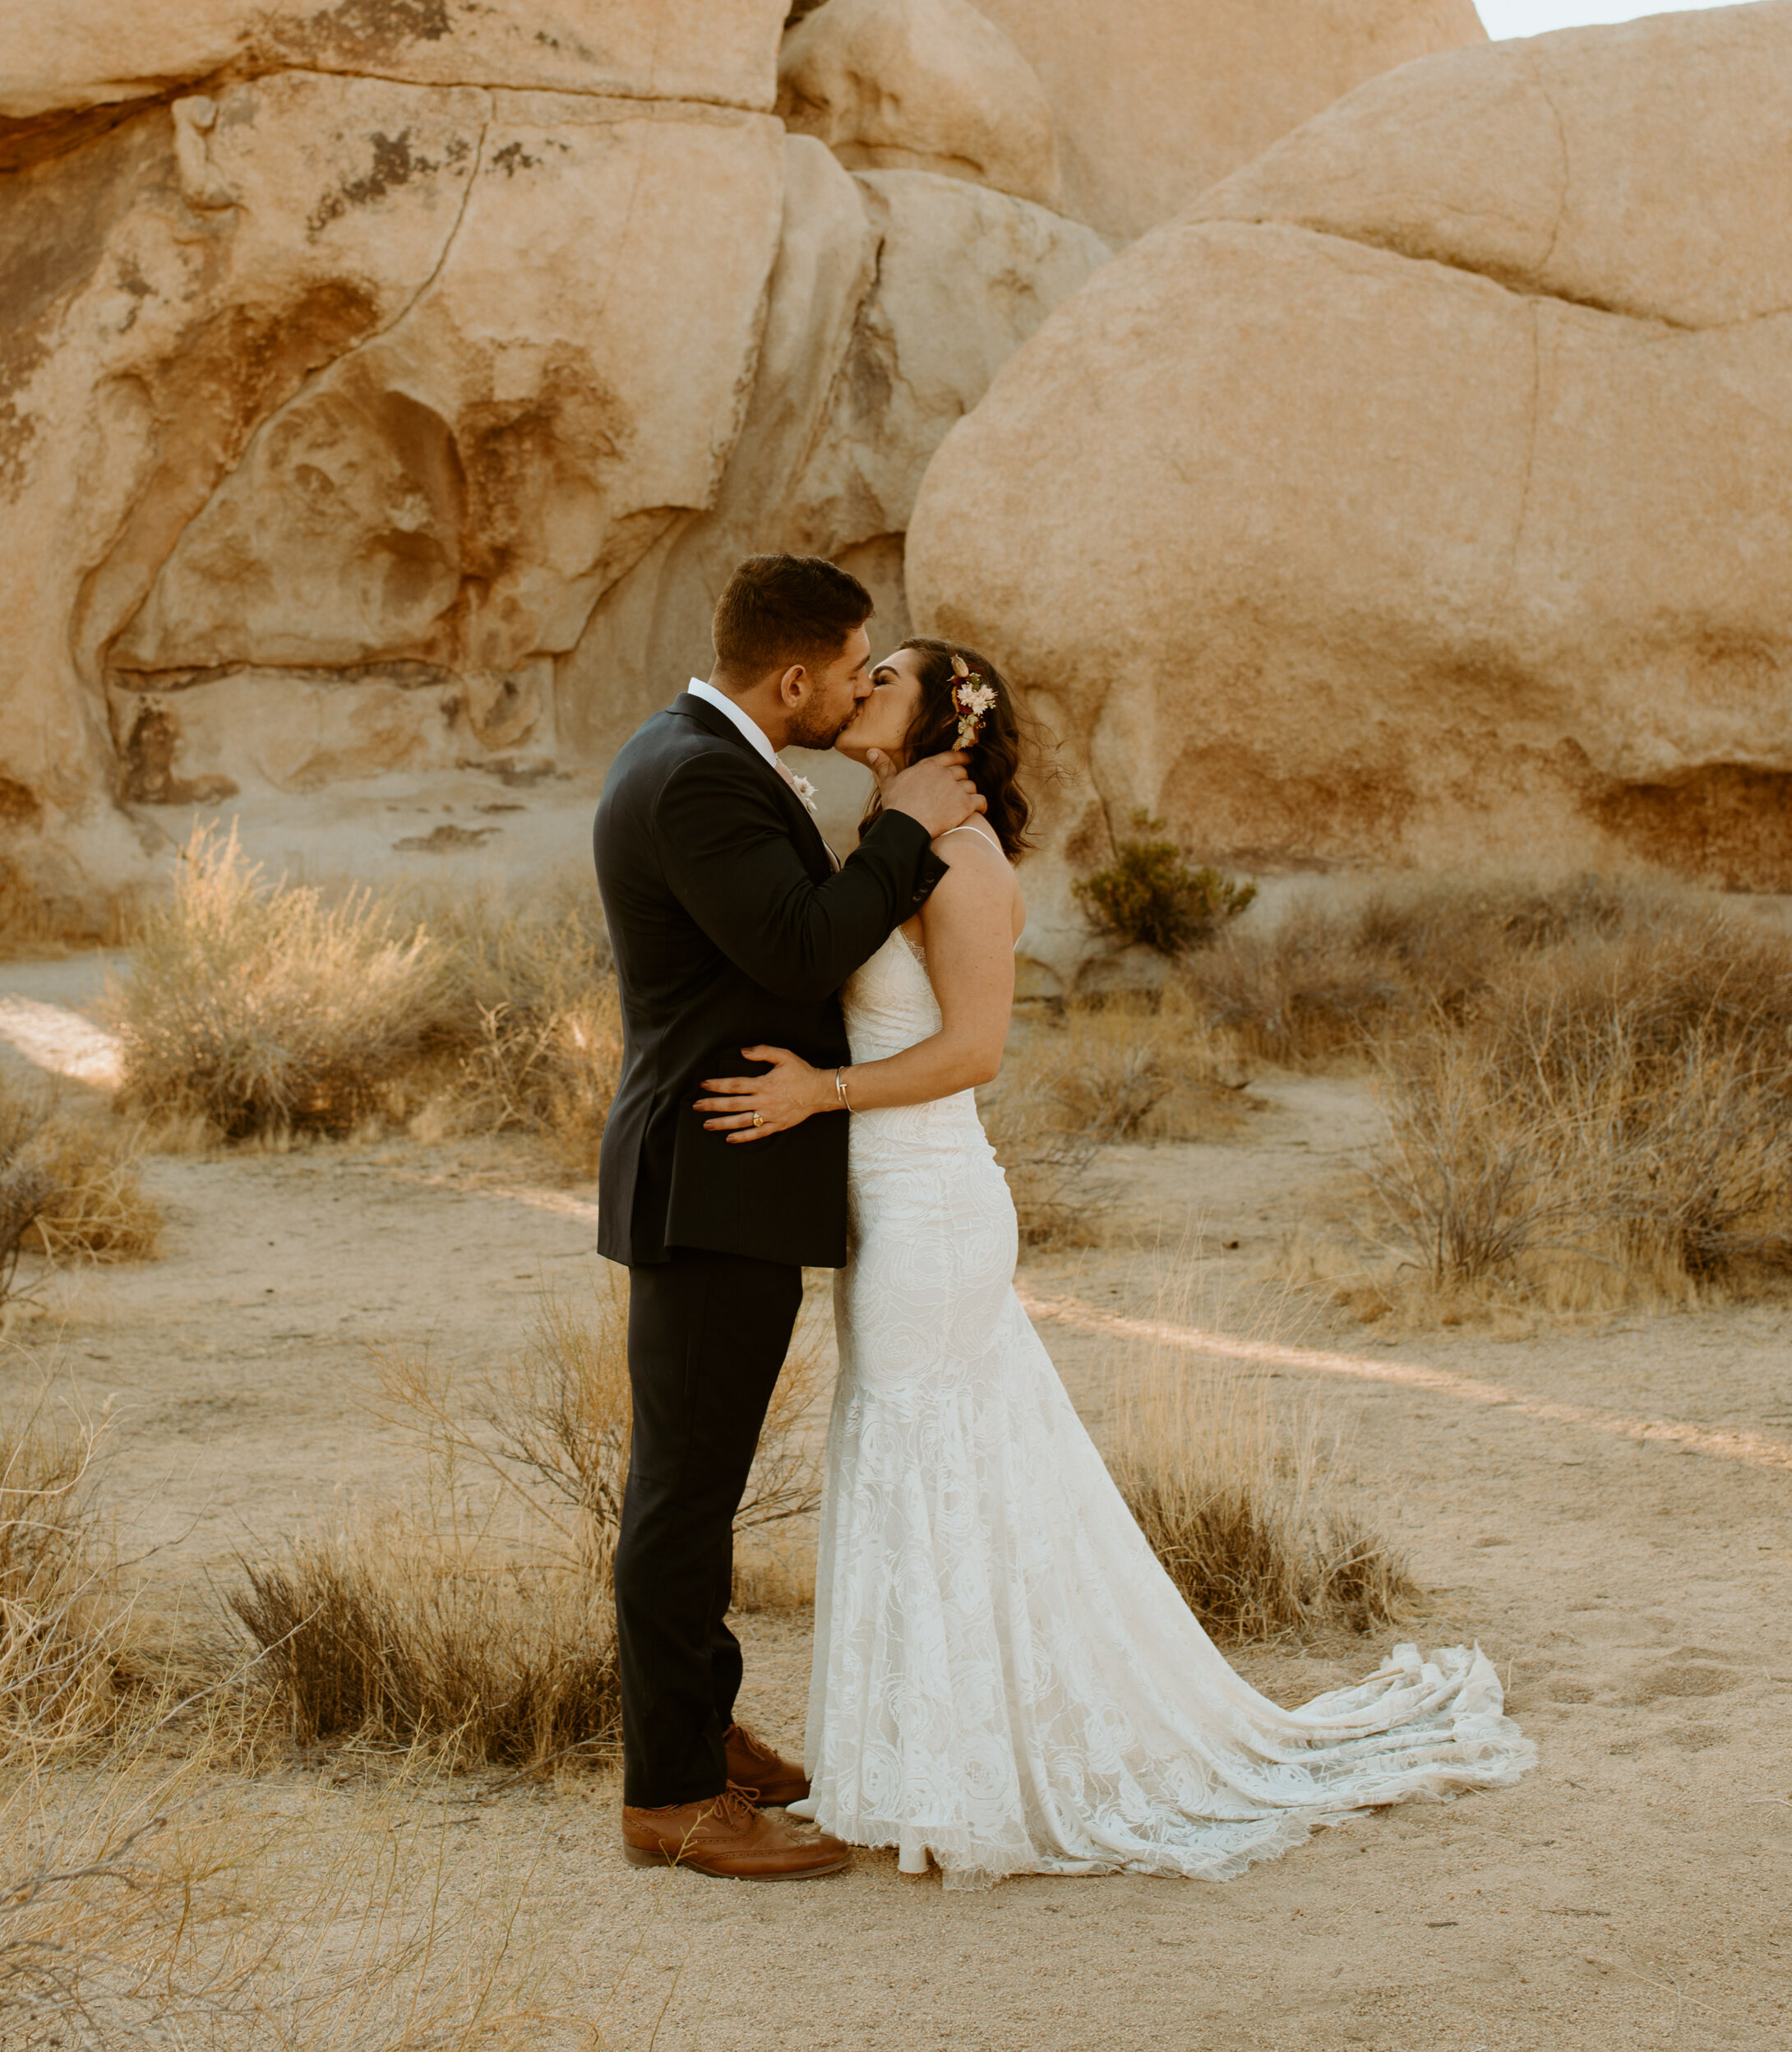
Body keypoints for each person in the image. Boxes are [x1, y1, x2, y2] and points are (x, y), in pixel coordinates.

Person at [696, 637, 1537, 1888]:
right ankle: (923, 1765)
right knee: (907, 1464)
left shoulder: (962, 856)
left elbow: (975, 1049)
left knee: (927, 1464)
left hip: (932, 1202)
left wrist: (822, 1088)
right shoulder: (884, 837)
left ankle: (964, 1779)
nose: (861, 683)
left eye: (888, 676)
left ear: (945, 722)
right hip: (883, 1204)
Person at [593, 555, 986, 1880]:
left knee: (691, 1485)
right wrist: (907, 827)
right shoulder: (701, 771)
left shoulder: (691, 749)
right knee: (684, 1497)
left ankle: (699, 1727)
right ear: (796, 674)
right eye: (853, 662)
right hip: (715, 1180)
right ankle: (674, 1793)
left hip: (727, 1175)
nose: (862, 684)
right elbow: (804, 947)